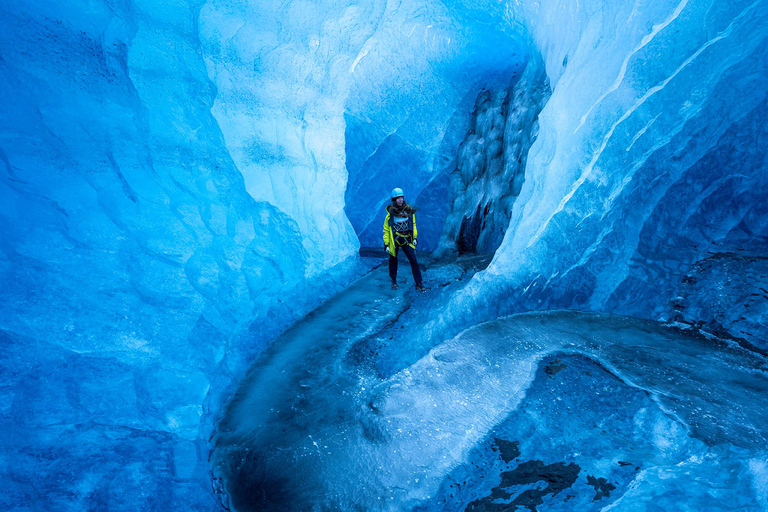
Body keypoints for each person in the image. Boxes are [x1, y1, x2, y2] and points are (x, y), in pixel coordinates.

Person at [383, 188, 426, 292]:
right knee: (393, 260)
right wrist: (387, 244)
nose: (400, 200)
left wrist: (414, 237)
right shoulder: (390, 213)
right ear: (394, 199)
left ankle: (418, 283)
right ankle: (393, 280)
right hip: (395, 239)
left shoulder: (408, 210)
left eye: (401, 197)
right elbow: (386, 229)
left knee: (413, 260)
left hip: (406, 238)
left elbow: (413, 225)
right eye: (398, 198)